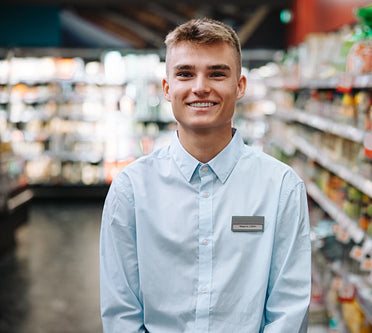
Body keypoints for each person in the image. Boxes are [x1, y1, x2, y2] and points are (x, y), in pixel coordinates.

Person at [99, 18, 311, 333]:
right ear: (167, 88)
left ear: (240, 86)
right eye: (185, 73)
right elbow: (121, 313)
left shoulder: (281, 187)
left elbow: (288, 312)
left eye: (217, 73)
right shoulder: (131, 189)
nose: (200, 87)